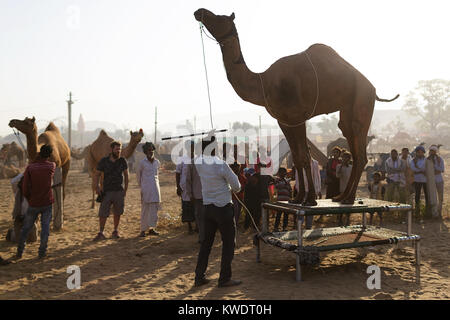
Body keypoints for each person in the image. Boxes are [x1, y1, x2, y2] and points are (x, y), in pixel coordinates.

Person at [194, 135, 241, 288]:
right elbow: (237, 186)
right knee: (228, 244)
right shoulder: (221, 165)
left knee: (206, 245)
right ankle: (224, 279)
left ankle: (199, 277)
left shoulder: (198, 162)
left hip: (208, 208)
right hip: (223, 209)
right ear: (214, 148)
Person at [16, 144, 56, 259]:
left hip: (33, 203)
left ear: (40, 153)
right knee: (45, 229)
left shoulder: (30, 167)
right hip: (47, 202)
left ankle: (20, 251)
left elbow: (25, 188)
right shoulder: (51, 166)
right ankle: (42, 252)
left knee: (25, 229)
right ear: (49, 155)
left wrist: (29, 198)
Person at [93, 141, 128, 241]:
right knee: (103, 213)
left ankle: (115, 230)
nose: (119, 151)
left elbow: (126, 175)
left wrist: (125, 189)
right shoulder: (104, 161)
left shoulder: (122, 161)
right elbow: (97, 174)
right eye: (117, 149)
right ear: (111, 149)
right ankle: (101, 232)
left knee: (118, 212)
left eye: (120, 149)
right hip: (107, 191)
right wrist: (97, 187)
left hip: (118, 190)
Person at [137, 142, 161, 237]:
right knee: (145, 210)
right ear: (145, 151)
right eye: (148, 150)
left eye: (151, 149)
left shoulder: (157, 162)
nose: (150, 151)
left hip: (155, 188)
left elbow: (157, 176)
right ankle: (143, 230)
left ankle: (152, 229)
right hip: (146, 189)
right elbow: (139, 177)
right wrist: (142, 188)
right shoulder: (142, 163)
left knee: (154, 210)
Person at [183, 140, 204, 242]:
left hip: (208, 195)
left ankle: (205, 237)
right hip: (198, 195)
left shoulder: (211, 162)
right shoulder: (192, 163)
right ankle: (202, 238)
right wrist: (190, 194)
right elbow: (188, 180)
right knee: (199, 217)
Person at [177, 141, 196, 234]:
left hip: (195, 187)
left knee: (196, 206)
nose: (192, 149)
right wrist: (178, 187)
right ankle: (189, 226)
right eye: (190, 147)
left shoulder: (198, 159)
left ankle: (197, 226)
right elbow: (177, 173)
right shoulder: (182, 159)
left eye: (193, 147)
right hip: (184, 187)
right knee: (186, 206)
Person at [410, 145, 428, 218]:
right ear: (416, 153)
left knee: (427, 195)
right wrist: (421, 171)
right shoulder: (413, 160)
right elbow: (413, 169)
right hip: (417, 180)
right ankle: (417, 210)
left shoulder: (426, 160)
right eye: (418, 152)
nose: (420, 154)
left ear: (423, 153)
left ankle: (427, 211)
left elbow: (427, 168)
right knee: (417, 195)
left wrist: (419, 171)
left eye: (421, 152)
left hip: (425, 180)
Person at [336, 151, 352, 226]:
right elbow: (337, 176)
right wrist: (341, 167)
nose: (345, 159)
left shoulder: (351, 167)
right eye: (343, 157)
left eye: (346, 158)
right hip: (342, 188)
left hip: (349, 188)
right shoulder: (339, 166)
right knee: (341, 204)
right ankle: (340, 219)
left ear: (349, 159)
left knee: (349, 205)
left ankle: (348, 219)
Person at [273, 167, 292, 232]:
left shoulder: (286, 181)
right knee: (279, 214)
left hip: (287, 200)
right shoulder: (277, 179)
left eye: (285, 172)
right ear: (279, 173)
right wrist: (285, 183)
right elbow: (276, 186)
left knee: (286, 215)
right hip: (280, 200)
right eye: (282, 172)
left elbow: (289, 189)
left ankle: (284, 227)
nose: (284, 174)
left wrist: (290, 197)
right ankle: (276, 227)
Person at [428, 145, 445, 219]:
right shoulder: (427, 160)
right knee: (432, 197)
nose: (431, 153)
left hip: (439, 180)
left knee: (440, 197)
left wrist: (434, 169)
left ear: (435, 152)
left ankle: (439, 212)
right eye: (430, 151)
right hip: (431, 181)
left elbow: (441, 169)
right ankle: (434, 213)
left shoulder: (439, 159)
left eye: (433, 151)